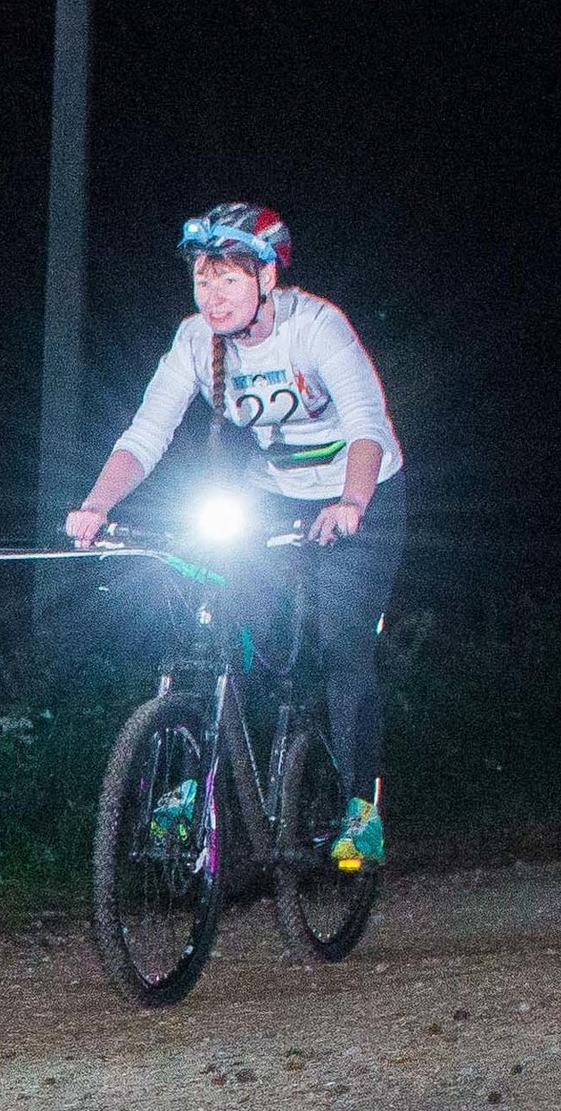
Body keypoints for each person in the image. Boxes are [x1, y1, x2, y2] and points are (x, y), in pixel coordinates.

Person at [66, 203, 405, 870]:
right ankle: (192, 792)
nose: (211, 295)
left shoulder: (317, 328)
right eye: (201, 278)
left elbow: (368, 423)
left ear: (267, 278)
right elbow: (146, 434)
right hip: (273, 493)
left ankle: (362, 814)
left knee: (343, 646)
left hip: (363, 494)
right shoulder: (196, 341)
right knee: (219, 633)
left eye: (227, 279)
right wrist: (95, 505)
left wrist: (353, 500)